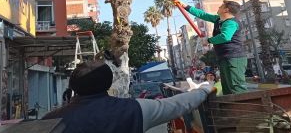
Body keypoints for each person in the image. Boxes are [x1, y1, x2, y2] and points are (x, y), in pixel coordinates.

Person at [42, 60, 215, 133]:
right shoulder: (134, 109)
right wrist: (205, 89)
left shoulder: (49, 120)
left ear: (72, 86)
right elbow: (177, 105)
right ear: (109, 84)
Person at [176, 0, 247, 94]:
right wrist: (185, 6)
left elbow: (225, 36)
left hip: (234, 58)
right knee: (227, 86)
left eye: (221, 6)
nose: (219, 7)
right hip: (225, 57)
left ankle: (243, 106)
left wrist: (209, 40)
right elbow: (203, 15)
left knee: (236, 86)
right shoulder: (218, 20)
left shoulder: (231, 23)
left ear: (226, 10)